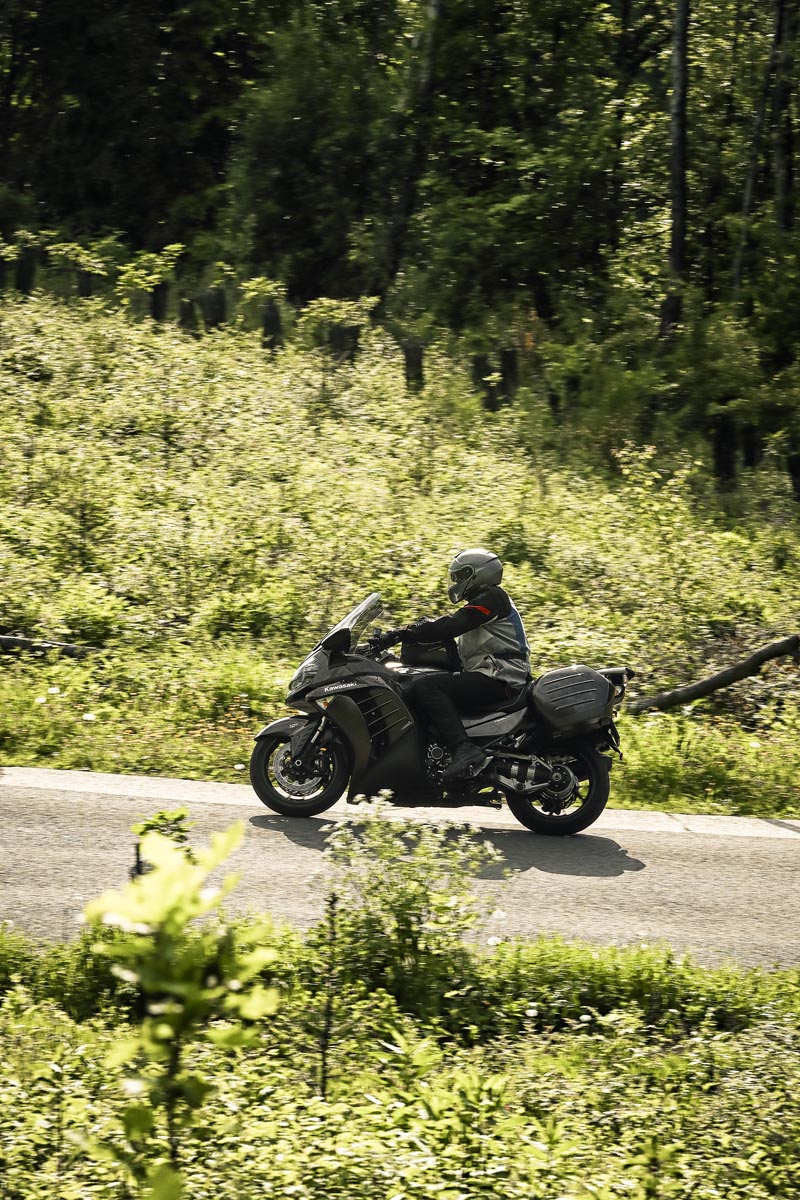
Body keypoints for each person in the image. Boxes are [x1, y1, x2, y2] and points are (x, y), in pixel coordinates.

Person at [371, 548, 531, 782]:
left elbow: (451, 625)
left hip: (501, 677)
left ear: (478, 574)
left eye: (460, 576)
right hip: (491, 674)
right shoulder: (482, 605)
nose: (455, 582)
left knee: (426, 686)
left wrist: (402, 633)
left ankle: (463, 749)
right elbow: (455, 645)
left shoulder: (492, 598)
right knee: (419, 681)